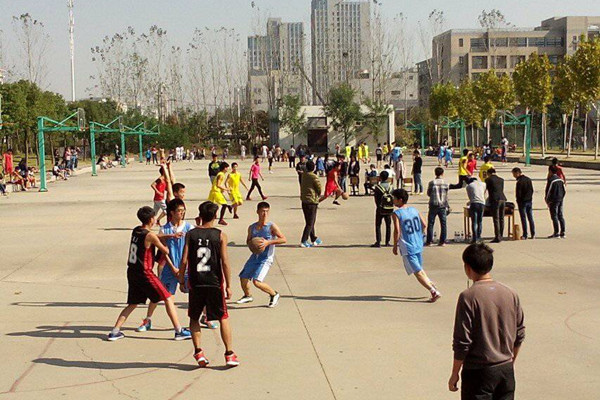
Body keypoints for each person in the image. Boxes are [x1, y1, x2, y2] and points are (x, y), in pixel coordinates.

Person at [449, 243, 525, 399]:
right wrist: (510, 361)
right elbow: (520, 334)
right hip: (505, 370)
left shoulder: (468, 297)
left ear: (467, 268)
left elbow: (462, 341)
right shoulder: (510, 293)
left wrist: (455, 373)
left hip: (478, 373)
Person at [107, 206, 192, 341]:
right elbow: (165, 250)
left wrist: (169, 235)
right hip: (145, 273)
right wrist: (166, 242)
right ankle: (179, 330)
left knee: (133, 303)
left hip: (132, 272)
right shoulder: (151, 235)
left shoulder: (136, 230)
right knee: (167, 297)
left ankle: (115, 331)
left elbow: (152, 236)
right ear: (152, 219)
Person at [179, 201, 240, 367]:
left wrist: (181, 279)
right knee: (223, 317)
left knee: (194, 317)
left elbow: (184, 260)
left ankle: (198, 352)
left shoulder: (190, 234)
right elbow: (225, 262)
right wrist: (228, 285)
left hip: (196, 282)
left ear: (200, 215)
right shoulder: (220, 235)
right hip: (214, 282)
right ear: (215, 216)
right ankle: (229, 354)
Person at [137, 199, 192, 332]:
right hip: (170, 269)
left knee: (197, 293)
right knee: (160, 295)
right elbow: (164, 252)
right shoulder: (164, 229)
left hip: (186, 267)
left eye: (183, 210)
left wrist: (183, 268)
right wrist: (173, 267)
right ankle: (148, 320)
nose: (182, 213)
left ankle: (205, 317)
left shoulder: (189, 228)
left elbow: (191, 250)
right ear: (171, 212)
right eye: (179, 211)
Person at [391, 189, 441, 302]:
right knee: (419, 268)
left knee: (417, 271)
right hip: (418, 243)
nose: (393, 200)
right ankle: (430, 283)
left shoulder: (397, 214)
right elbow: (424, 224)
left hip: (408, 246)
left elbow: (397, 231)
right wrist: (420, 234)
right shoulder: (414, 210)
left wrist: (395, 245)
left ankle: (433, 291)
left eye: (394, 198)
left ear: (400, 200)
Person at [236, 202, 287, 307]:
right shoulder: (252, 227)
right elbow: (248, 241)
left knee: (257, 281)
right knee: (243, 277)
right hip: (255, 257)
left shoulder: (271, 226)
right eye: (263, 211)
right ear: (257, 212)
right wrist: (253, 244)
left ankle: (274, 294)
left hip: (265, 259)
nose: (265, 214)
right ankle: (247, 296)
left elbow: (283, 239)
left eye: (267, 211)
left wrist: (268, 242)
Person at [300, 160, 323, 248]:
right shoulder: (313, 177)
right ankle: (304, 240)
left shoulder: (304, 175)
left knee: (309, 221)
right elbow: (319, 188)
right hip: (312, 201)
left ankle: (313, 238)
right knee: (310, 222)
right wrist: (318, 194)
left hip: (304, 200)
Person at [426, 167, 449, 246]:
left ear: (435, 173)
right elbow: (446, 194)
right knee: (443, 223)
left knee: (431, 223)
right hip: (442, 205)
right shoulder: (446, 183)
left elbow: (428, 193)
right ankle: (442, 241)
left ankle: (429, 241)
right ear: (442, 173)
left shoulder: (432, 182)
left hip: (433, 204)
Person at [371, 170, 394, 247]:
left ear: (380, 177)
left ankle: (378, 242)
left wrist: (378, 206)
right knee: (388, 225)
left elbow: (376, 199)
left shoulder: (378, 187)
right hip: (389, 208)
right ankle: (387, 242)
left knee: (378, 225)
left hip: (380, 208)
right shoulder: (391, 187)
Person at [512, 168, 535, 240]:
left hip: (522, 202)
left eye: (514, 174)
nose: (513, 175)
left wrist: (518, 200)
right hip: (529, 201)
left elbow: (518, 193)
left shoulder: (519, 182)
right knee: (530, 217)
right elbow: (532, 190)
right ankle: (533, 233)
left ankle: (525, 234)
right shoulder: (528, 179)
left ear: (517, 173)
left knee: (523, 218)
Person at [485, 168, 507, 243]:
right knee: (501, 218)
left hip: (495, 200)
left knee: (496, 219)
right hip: (503, 199)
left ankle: (497, 236)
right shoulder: (501, 180)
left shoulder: (488, 180)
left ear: (488, 173)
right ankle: (501, 235)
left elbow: (486, 190)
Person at [545, 165, 566, 238]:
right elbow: (564, 190)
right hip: (560, 199)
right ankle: (563, 232)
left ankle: (556, 232)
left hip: (553, 200)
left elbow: (548, 191)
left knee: (554, 216)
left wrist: (547, 200)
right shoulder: (560, 180)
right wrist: (561, 197)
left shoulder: (551, 180)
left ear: (550, 171)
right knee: (560, 215)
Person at [466, 177, 486, 243]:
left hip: (474, 204)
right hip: (482, 203)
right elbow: (484, 193)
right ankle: (479, 237)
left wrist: (470, 202)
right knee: (480, 221)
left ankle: (474, 238)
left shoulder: (469, 186)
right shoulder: (483, 184)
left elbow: (470, 196)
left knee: (474, 222)